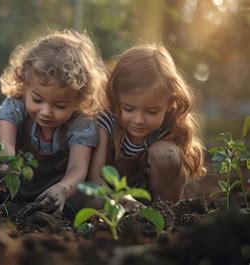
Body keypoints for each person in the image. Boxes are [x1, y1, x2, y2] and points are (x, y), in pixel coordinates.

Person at [0, 30, 108, 214]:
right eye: (37, 100)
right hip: (15, 185)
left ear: (79, 100)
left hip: (56, 191)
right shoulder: (15, 105)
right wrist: (7, 165)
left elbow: (78, 169)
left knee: (92, 197)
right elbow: (5, 143)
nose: (46, 112)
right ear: (25, 84)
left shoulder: (81, 124)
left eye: (60, 106)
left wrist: (62, 188)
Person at [88, 44, 206, 203]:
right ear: (116, 98)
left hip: (151, 200)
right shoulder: (107, 122)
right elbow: (96, 176)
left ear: (170, 103)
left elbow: (170, 171)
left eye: (151, 111)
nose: (139, 120)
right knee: (87, 199)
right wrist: (121, 201)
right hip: (110, 199)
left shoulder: (168, 127)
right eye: (129, 109)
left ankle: (166, 211)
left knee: (166, 155)